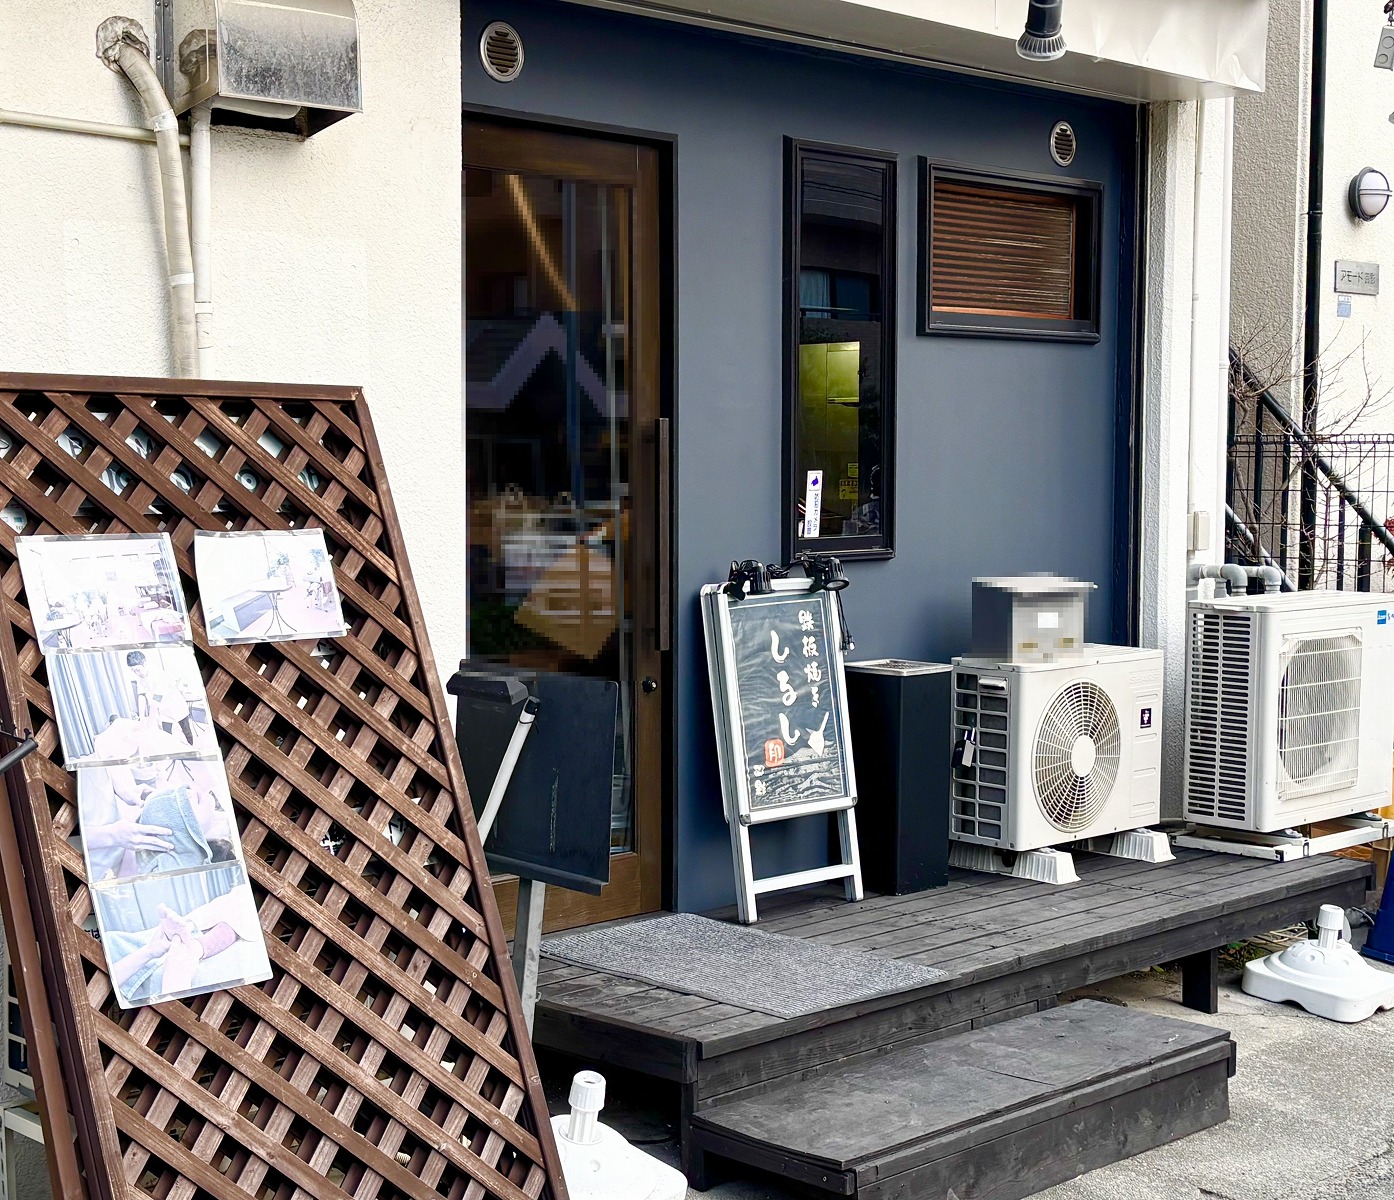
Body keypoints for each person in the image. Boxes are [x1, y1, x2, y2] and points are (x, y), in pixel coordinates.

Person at [126, 650, 194, 744]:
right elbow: (141, 696)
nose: (137, 673)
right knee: (166, 735)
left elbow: (155, 701)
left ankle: (191, 746)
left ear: (145, 664)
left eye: (138, 670)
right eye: (133, 671)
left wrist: (148, 724)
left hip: (176, 705)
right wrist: (142, 719)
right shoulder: (140, 677)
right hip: (164, 709)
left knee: (186, 731)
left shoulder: (159, 675)